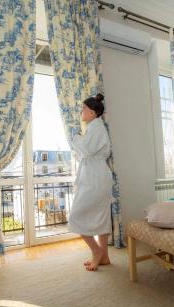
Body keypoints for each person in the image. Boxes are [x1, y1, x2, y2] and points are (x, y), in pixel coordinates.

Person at [68, 93, 114, 271]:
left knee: (76, 216)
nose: (81, 111)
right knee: (101, 216)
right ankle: (105, 257)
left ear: (93, 112)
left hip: (95, 177)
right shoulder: (95, 128)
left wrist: (77, 137)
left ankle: (97, 252)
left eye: (84, 108)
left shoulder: (96, 128)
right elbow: (85, 153)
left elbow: (86, 150)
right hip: (95, 175)